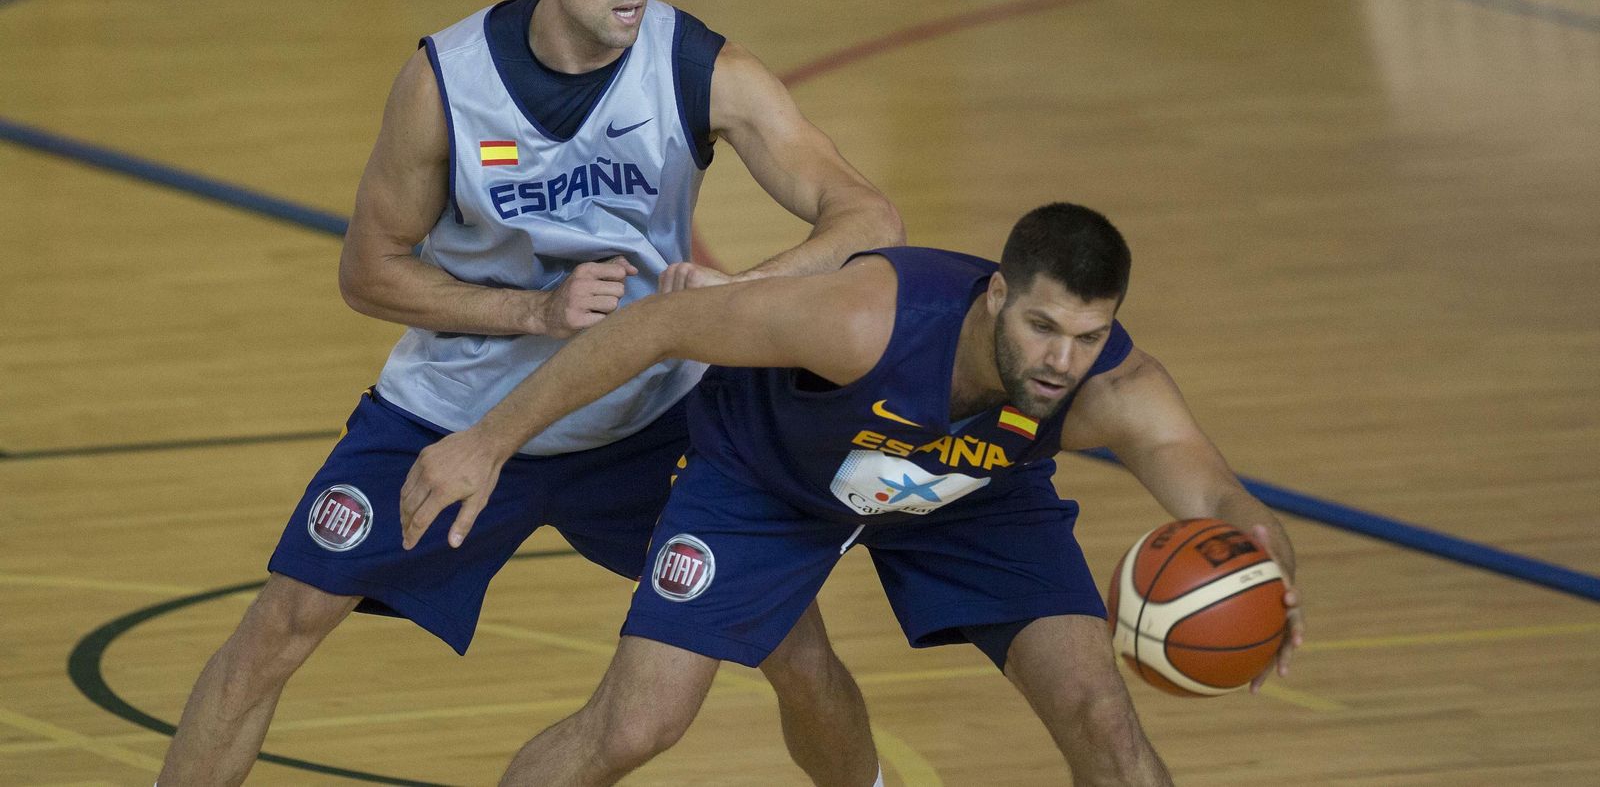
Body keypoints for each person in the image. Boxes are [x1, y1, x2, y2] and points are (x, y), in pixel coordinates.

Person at [157, 0, 902, 784]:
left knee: (796, 648)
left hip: (645, 423)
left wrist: (732, 297)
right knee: (277, 628)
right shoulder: (447, 81)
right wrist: (534, 314)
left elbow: (868, 218)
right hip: (454, 416)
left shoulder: (699, 68)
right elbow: (368, 271)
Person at [399, 203, 1306, 786]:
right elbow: (655, 326)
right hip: (765, 477)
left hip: (976, 491)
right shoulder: (865, 321)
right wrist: (487, 440)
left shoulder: (1111, 387)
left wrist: (1267, 574)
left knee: (1102, 719)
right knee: (637, 726)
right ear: (996, 298)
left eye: (1086, 335)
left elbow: (1222, 501)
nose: (1059, 361)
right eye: (1041, 328)